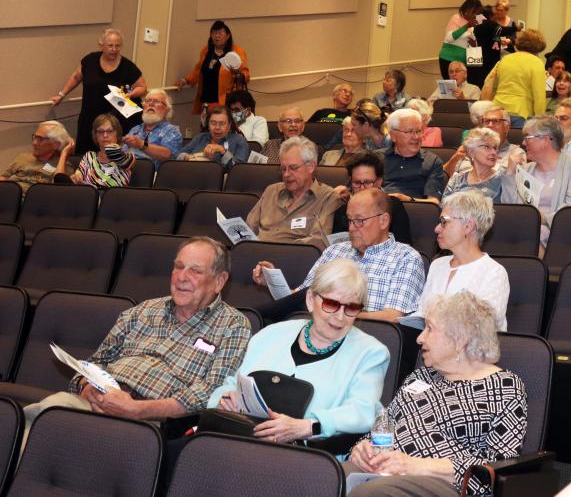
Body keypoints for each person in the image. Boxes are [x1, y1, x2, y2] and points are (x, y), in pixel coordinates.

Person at [23, 237, 249, 428]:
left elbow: (211, 393)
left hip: (151, 422)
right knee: (42, 414)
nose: (182, 277)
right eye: (178, 267)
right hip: (98, 402)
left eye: (195, 271)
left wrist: (138, 410)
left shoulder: (233, 326)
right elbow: (94, 363)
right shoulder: (142, 311)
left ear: (219, 281)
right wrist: (88, 389)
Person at [346, 292, 526, 497]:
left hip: (445, 485)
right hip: (387, 472)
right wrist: (361, 449)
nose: (420, 338)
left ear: (460, 339)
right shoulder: (421, 376)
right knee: (330, 477)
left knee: (371, 493)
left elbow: (498, 468)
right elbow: (385, 427)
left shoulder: (505, 387)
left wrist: (413, 465)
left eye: (429, 329)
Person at [209, 258, 389, 443]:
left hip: (307, 455)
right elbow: (233, 382)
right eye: (331, 304)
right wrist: (224, 399)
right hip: (241, 440)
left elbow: (363, 412)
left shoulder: (371, 352)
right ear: (311, 300)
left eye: (352, 308)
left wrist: (307, 427)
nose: (340, 317)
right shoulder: (271, 334)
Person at [254, 189, 425, 323]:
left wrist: (340, 314)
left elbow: (392, 316)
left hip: (364, 335)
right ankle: (253, 318)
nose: (351, 228)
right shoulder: (334, 251)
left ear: (383, 221)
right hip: (314, 328)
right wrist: (272, 281)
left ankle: (252, 317)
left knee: (262, 319)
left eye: (359, 220)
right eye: (349, 220)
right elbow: (300, 297)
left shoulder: (405, 258)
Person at [412, 191, 509, 331]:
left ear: (468, 226)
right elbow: (422, 313)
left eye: (444, 222)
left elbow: (484, 329)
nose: (437, 228)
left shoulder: (494, 272)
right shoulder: (437, 265)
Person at [500, 115, 571, 251]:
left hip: (560, 233)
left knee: (532, 236)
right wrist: (510, 173)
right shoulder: (525, 170)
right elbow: (509, 208)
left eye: (527, 137)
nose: (524, 143)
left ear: (545, 140)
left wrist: (538, 219)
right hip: (523, 231)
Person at [51, 28, 147, 154]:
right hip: (89, 116)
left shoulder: (127, 66)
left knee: (109, 153)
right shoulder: (90, 60)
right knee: (86, 153)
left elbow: (143, 88)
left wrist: (130, 94)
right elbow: (76, 77)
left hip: (115, 119)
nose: (114, 49)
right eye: (110, 45)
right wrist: (61, 95)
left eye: (117, 46)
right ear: (101, 46)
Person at [245, 136, 341, 248]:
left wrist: (275, 249)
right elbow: (249, 229)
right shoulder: (271, 191)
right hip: (255, 256)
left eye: (293, 168)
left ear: (310, 167)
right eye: (283, 169)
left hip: (294, 259)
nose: (286, 174)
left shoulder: (327, 197)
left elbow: (318, 242)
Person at [330, 152, 412, 244]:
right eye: (357, 183)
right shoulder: (343, 210)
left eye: (368, 182)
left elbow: (404, 245)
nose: (362, 188)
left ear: (379, 181)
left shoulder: (393, 206)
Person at [176, 20, 250, 118]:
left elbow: (246, 74)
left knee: (221, 127)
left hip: (225, 100)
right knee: (206, 129)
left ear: (227, 36)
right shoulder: (206, 51)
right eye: (214, 33)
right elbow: (198, 70)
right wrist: (185, 80)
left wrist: (238, 73)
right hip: (206, 100)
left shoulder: (236, 52)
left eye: (220, 33)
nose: (217, 36)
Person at [378, 109, 447, 204]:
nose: (416, 137)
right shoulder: (376, 159)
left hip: (416, 213)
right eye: (409, 132)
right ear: (393, 135)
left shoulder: (432, 161)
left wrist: (407, 200)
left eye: (419, 131)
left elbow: (434, 203)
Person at [482, 29, 548, 128]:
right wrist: (540, 120)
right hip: (521, 113)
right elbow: (539, 95)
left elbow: (489, 82)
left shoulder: (504, 59)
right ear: (539, 47)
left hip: (498, 110)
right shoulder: (537, 63)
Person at [442, 105, 525, 178]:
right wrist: (455, 158)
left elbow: (515, 187)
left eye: (496, 121)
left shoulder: (516, 153)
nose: (490, 125)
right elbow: (443, 177)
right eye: (486, 121)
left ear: (506, 127)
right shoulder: (470, 148)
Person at [56, 113, 134, 187]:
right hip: (88, 197)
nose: (105, 135)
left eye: (110, 131)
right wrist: (76, 177)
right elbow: (78, 175)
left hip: (111, 198)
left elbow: (119, 156)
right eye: (100, 131)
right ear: (96, 135)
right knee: (60, 178)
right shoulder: (89, 156)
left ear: (117, 134)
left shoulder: (128, 157)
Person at [0, 121, 73, 193]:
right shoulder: (23, 157)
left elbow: (60, 190)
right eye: (35, 137)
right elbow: (3, 178)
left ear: (56, 144)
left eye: (40, 139)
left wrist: (65, 153)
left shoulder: (62, 167)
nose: (34, 143)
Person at [123, 89, 182, 168]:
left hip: (153, 176)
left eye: (156, 101)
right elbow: (123, 153)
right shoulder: (135, 129)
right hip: (126, 174)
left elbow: (167, 155)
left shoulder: (172, 131)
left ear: (167, 109)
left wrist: (141, 144)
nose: (151, 104)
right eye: (147, 101)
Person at [177, 105, 250, 167]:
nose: (217, 127)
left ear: (229, 125)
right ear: (208, 124)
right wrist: (188, 157)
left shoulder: (239, 140)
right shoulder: (201, 138)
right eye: (213, 123)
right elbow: (177, 156)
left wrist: (223, 152)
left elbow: (239, 168)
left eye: (222, 123)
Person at [443, 128, 503, 202]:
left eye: (495, 148)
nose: (493, 152)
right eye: (487, 147)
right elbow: (445, 209)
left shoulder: (503, 179)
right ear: (471, 152)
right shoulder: (456, 180)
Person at [471, 0, 518, 88]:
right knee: (489, 81)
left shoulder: (476, 25)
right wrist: (516, 28)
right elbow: (501, 30)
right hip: (489, 57)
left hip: (476, 55)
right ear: (489, 16)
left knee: (478, 81)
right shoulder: (490, 24)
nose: (497, 13)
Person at [439, 0, 483, 80]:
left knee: (467, 87)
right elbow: (449, 38)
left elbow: (476, 45)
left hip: (466, 63)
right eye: (473, 12)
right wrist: (467, 26)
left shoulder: (477, 23)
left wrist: (475, 45)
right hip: (448, 60)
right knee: (451, 88)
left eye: (477, 13)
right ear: (467, 9)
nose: (475, 15)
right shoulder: (456, 18)